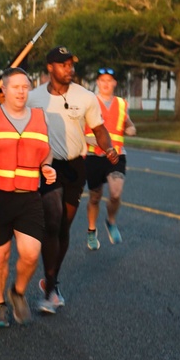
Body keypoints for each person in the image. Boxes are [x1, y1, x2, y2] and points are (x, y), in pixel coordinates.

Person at [27, 46, 118, 314]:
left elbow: (99, 129)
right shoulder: (33, 98)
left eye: (71, 65)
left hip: (76, 166)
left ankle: (51, 280)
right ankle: (51, 289)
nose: (70, 69)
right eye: (64, 65)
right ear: (50, 68)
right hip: (47, 166)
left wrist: (108, 147)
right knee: (52, 221)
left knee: (64, 227)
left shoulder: (86, 96)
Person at [0, 68, 56, 327]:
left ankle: (17, 291)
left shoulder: (41, 118)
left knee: (30, 253)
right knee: (0, 255)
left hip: (28, 197)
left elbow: (46, 152)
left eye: (26, 87)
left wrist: (47, 166)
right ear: (3, 90)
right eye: (15, 87)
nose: (21, 92)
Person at [84, 67, 136, 249]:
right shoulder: (90, 102)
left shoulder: (122, 103)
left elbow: (128, 123)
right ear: (97, 83)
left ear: (115, 83)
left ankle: (111, 221)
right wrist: (97, 143)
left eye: (110, 80)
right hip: (94, 155)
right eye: (102, 80)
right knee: (95, 196)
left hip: (117, 155)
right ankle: (91, 231)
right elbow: (83, 131)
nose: (106, 84)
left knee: (115, 193)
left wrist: (131, 128)